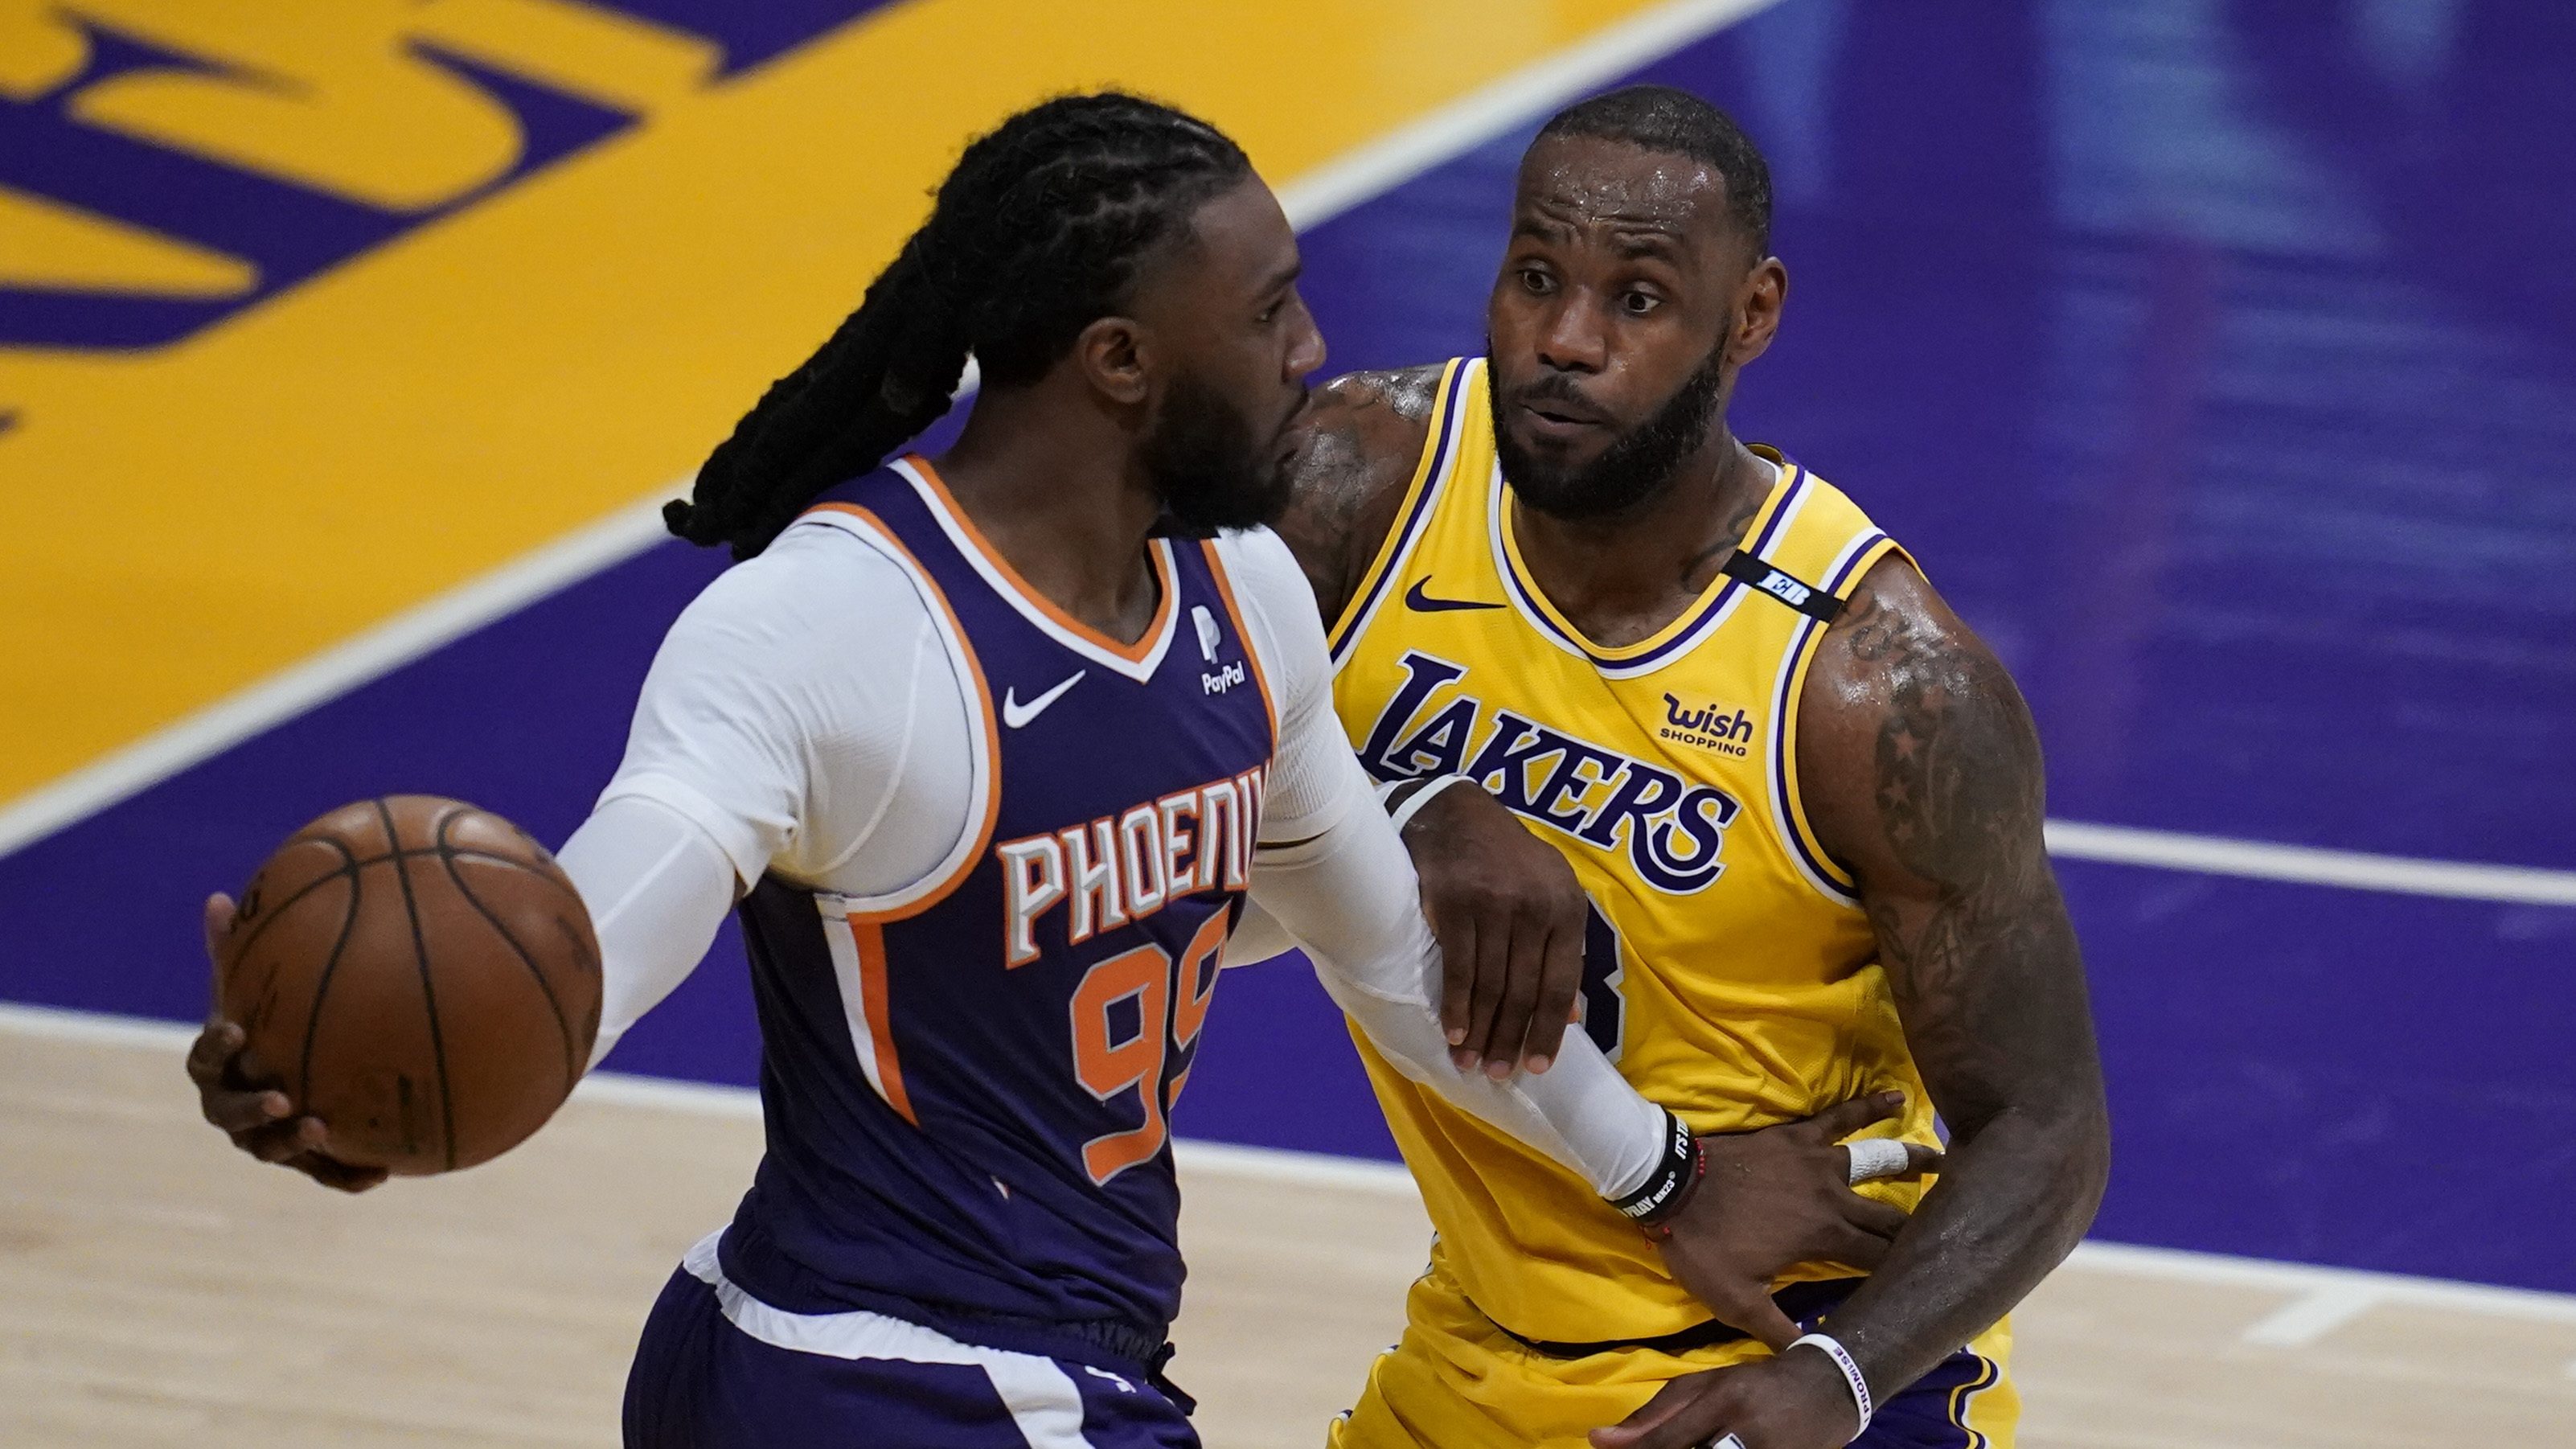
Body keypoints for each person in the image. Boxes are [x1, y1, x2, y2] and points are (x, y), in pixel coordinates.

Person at [179, 92, 1913, 1449]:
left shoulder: (1237, 596)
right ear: (1119, 365)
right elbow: (592, 939)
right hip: (909, 1377)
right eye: (1271, 312)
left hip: (905, 1368)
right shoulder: (829, 626)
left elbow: (1384, 947)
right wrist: (395, 1087)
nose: (1313, 352)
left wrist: (1668, 1174)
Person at [1248, 86, 2112, 1449]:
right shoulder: (1360, 489)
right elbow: (1142, 777)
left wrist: (1832, 1377)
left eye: (1639, 299)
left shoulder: (1876, 685)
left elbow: (2050, 1125)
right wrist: (1417, 804)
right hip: (1483, 1340)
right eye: (1538, 278)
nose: (1566, 343)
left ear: (1751, 314)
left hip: (1774, 1353)